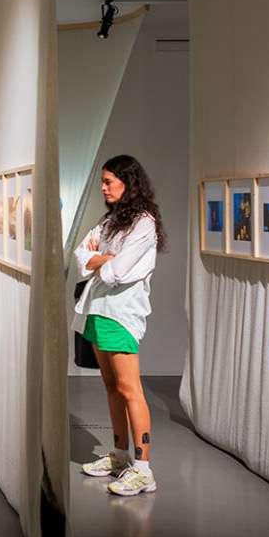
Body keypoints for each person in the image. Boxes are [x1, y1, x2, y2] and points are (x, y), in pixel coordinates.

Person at [73, 154, 165, 496]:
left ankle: (143, 470)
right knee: (112, 387)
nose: (103, 187)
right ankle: (120, 456)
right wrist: (102, 259)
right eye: (103, 181)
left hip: (121, 314)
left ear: (129, 182)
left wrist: (101, 260)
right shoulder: (110, 220)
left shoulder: (144, 223)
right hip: (97, 309)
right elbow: (80, 256)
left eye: (109, 181)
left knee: (129, 389)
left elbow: (117, 273)